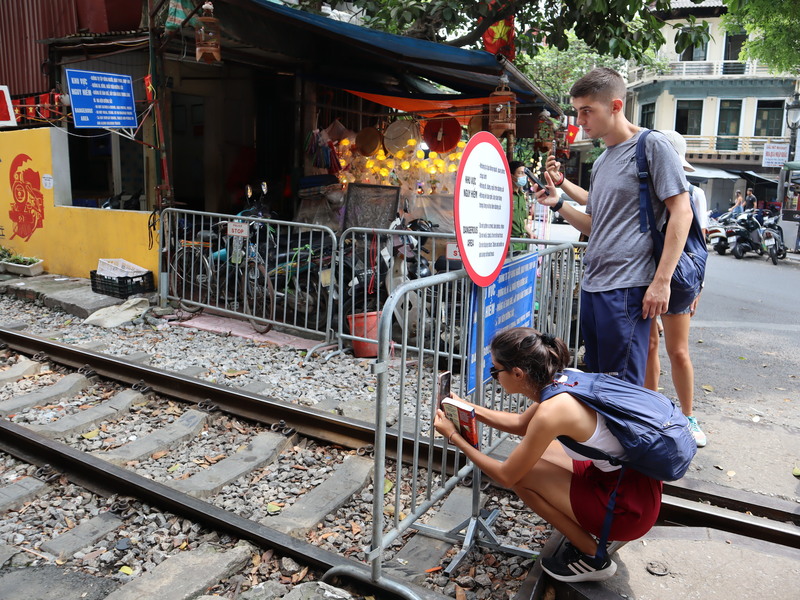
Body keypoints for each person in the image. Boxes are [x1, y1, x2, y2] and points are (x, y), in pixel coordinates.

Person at [433, 327, 662, 583]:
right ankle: (592, 528)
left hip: (626, 510)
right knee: (540, 454)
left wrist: (454, 437)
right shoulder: (565, 378)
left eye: (495, 371)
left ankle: (593, 556)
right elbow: (521, 424)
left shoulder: (551, 412)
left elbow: (506, 477)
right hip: (634, 487)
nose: (494, 377)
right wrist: (465, 406)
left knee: (521, 476)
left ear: (517, 373)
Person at [532, 67, 693, 386]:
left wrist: (662, 281)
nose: (580, 120)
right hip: (593, 286)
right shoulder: (603, 161)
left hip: (627, 287)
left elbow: (682, 212)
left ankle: (635, 435)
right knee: (598, 377)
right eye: (577, 111)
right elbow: (596, 226)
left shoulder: (651, 146)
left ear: (616, 106)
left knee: (623, 386)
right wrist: (560, 203)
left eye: (587, 111)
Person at [643, 130, 707, 447]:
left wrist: (699, 284)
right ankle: (653, 412)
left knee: (677, 350)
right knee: (650, 345)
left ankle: (687, 415)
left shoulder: (692, 193)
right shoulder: (645, 189)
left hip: (678, 279)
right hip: (642, 274)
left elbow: (700, 242)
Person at [509, 160, 531, 252]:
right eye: (520, 173)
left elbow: (523, 221)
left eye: (524, 173)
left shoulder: (522, 196)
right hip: (510, 245)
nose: (524, 177)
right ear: (511, 176)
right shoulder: (506, 195)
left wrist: (530, 232)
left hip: (523, 244)